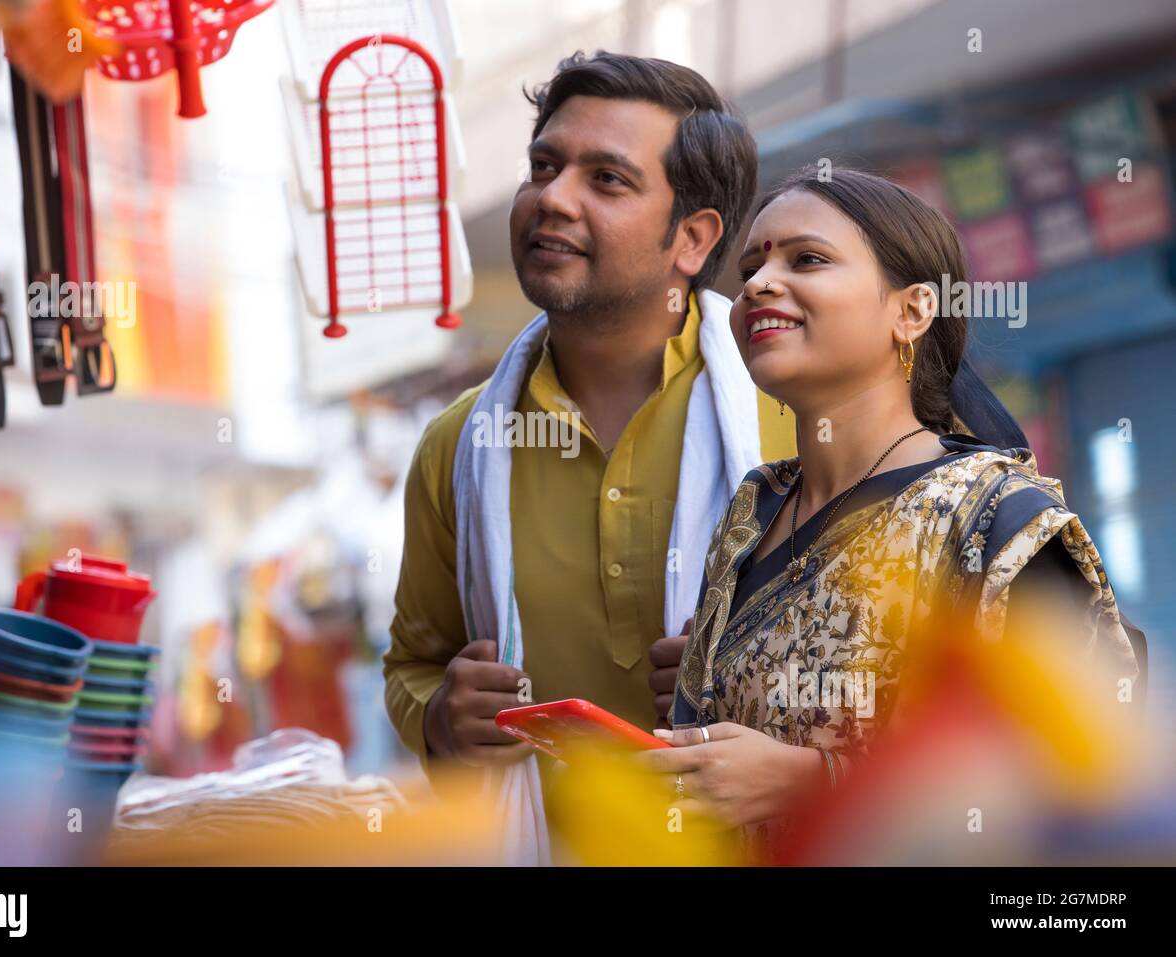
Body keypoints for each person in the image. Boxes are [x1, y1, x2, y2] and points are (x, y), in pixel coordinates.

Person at [646, 167, 1145, 850]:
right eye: (752, 265)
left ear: (910, 311)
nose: (758, 284)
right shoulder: (753, 515)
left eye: (807, 259)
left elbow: (1079, 785)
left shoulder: (995, 518)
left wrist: (810, 782)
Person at [382, 51, 782, 862]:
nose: (551, 198)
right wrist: (438, 715)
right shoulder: (460, 446)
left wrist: (766, 689)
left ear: (694, 238)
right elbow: (414, 660)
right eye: (544, 166)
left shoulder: (793, 415)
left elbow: (912, 659)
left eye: (606, 180)